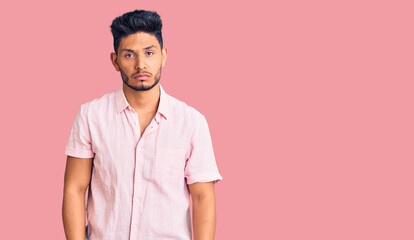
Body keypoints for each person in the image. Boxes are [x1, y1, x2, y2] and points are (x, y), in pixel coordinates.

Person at [62, 9, 223, 240]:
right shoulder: (91, 115)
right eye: (129, 55)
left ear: (164, 56)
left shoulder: (192, 122)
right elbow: (74, 190)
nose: (141, 65)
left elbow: (203, 198)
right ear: (115, 61)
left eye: (149, 53)